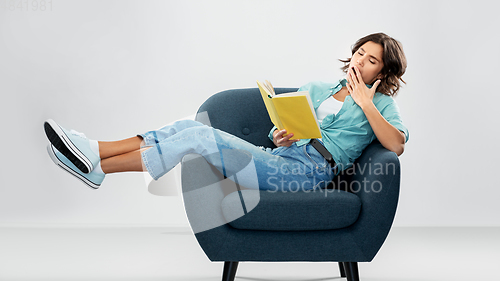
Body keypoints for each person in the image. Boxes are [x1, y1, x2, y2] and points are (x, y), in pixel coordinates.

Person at [44, 32, 409, 192]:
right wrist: (280, 134)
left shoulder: (382, 105)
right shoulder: (316, 88)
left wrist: (365, 104)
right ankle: (94, 151)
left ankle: (96, 164)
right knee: (189, 126)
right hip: (279, 156)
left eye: (372, 59)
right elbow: (281, 130)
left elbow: (396, 145)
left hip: (309, 174)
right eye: (360, 52)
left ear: (384, 71)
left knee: (199, 135)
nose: (361, 61)